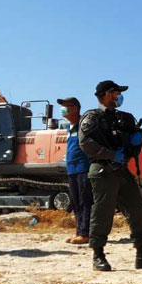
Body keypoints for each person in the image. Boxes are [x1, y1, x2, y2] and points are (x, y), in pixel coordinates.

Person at [78, 80, 142, 272]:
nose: (119, 97)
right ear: (106, 95)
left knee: (137, 210)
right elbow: (86, 144)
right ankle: (98, 255)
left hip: (122, 171)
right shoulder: (92, 118)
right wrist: (111, 154)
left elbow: (135, 140)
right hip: (102, 169)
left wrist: (137, 140)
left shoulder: (124, 118)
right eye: (116, 93)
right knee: (102, 211)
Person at [57, 97, 92, 245]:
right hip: (72, 169)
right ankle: (79, 232)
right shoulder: (68, 128)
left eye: (67, 106)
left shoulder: (83, 125)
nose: (63, 109)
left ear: (75, 108)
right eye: (63, 107)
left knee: (85, 202)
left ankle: (85, 234)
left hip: (83, 168)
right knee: (76, 202)